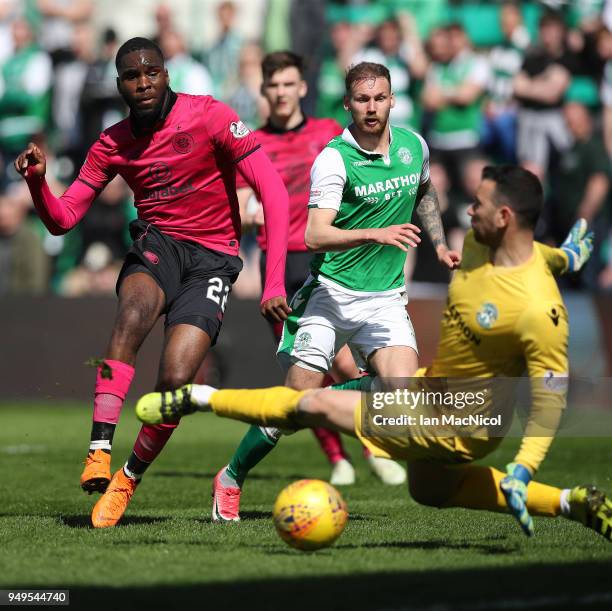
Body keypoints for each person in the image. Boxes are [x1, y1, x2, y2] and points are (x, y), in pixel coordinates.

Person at [136, 167, 612, 543]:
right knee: (430, 491)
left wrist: (524, 466)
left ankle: (195, 399)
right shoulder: (481, 243)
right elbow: (531, 254)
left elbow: (551, 398)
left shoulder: (539, 310)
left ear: (504, 217)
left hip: (460, 423)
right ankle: (573, 503)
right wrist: (567, 257)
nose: (468, 211)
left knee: (310, 403)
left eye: (479, 205)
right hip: (437, 390)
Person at [14, 37, 290, 528]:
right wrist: (37, 183)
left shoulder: (209, 116)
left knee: (176, 380)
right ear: (119, 84)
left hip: (213, 259)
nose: (142, 83)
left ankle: (128, 477)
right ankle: (98, 450)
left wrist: (273, 283)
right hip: (159, 244)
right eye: (131, 76)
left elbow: (271, 188)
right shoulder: (112, 143)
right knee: (132, 313)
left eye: (151, 73)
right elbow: (63, 219)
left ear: (167, 75)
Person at [216, 61, 459, 521]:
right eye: (362, 100)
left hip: (385, 299)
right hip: (329, 296)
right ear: (347, 103)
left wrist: (442, 243)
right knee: (292, 408)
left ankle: (331, 402)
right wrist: (376, 233)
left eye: (380, 98)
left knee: (400, 395)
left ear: (392, 100)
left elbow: (424, 191)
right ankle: (230, 476)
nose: (372, 108)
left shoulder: (414, 145)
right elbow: (313, 235)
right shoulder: (334, 158)